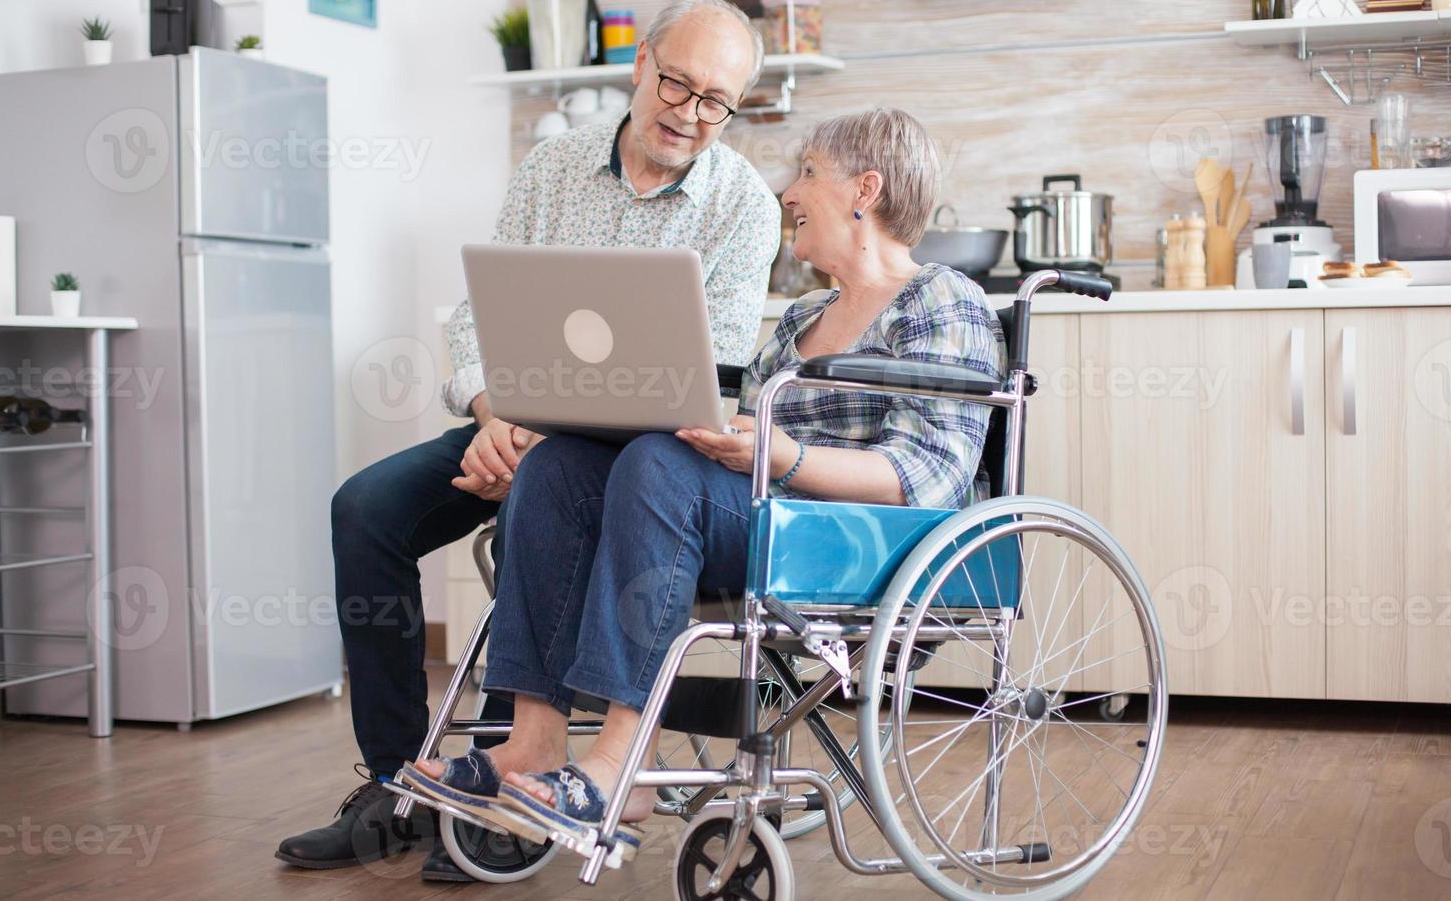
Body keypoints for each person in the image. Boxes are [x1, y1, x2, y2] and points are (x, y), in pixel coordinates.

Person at [276, 0, 782, 879]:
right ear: (638, 67)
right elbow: (481, 318)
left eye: (715, 100)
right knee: (365, 511)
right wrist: (493, 417)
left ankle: (518, 783)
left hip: (638, 455)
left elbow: (716, 370)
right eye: (675, 84)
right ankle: (399, 785)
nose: (689, 113)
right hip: (515, 423)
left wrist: (542, 437)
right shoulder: (553, 168)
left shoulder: (743, 205)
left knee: (543, 500)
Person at [405, 108, 1006, 849]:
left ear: (866, 190)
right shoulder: (801, 319)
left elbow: (930, 477)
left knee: (662, 469)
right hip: (768, 522)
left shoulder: (943, 300)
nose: (789, 193)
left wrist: (781, 457)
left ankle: (619, 766)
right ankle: (532, 739)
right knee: (560, 467)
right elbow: (749, 449)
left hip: (864, 540)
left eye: (808, 173)